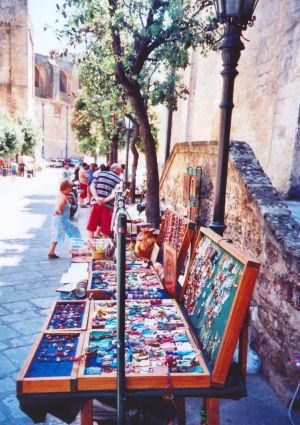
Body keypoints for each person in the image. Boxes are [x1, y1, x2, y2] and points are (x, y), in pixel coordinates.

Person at [86, 163, 123, 238]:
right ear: (117, 170)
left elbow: (92, 186)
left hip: (96, 203)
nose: (121, 171)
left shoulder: (100, 173)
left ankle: (90, 247)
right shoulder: (119, 180)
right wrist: (104, 200)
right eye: (120, 170)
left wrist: (96, 198)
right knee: (105, 231)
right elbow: (115, 193)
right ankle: (103, 248)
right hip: (108, 206)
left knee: (91, 227)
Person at [48, 180, 81, 259]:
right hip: (62, 219)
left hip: (60, 219)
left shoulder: (61, 194)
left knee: (57, 234)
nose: (71, 189)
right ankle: (75, 252)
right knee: (75, 232)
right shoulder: (62, 197)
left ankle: (51, 252)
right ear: (66, 188)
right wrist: (60, 209)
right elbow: (59, 209)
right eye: (71, 187)